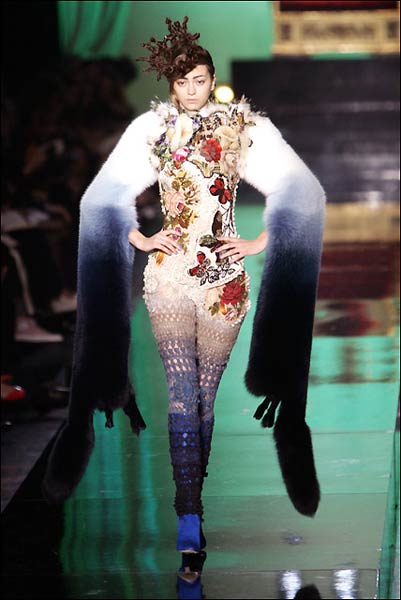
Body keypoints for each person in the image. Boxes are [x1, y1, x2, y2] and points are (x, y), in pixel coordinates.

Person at [42, 16, 326, 564]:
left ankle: (194, 506)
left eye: (200, 80)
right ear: (170, 85)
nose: (192, 90)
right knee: (179, 392)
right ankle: (188, 514)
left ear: (212, 79)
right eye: (182, 82)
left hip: (224, 282)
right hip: (169, 276)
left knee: (204, 401)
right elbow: (100, 200)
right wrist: (139, 238)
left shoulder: (242, 126)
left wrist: (260, 240)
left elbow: (302, 191)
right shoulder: (151, 129)